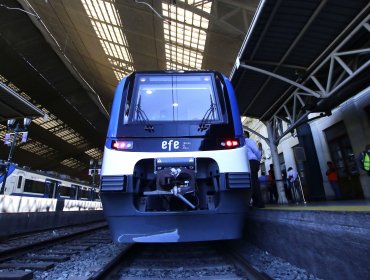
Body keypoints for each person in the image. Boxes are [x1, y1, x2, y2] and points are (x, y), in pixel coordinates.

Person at [244, 132, 264, 208]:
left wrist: (258, 160)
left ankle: (259, 203)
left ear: (246, 135)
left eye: (243, 134)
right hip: (250, 162)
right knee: (252, 182)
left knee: (253, 182)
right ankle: (256, 202)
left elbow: (256, 151)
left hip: (252, 162)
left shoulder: (248, 141)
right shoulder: (243, 142)